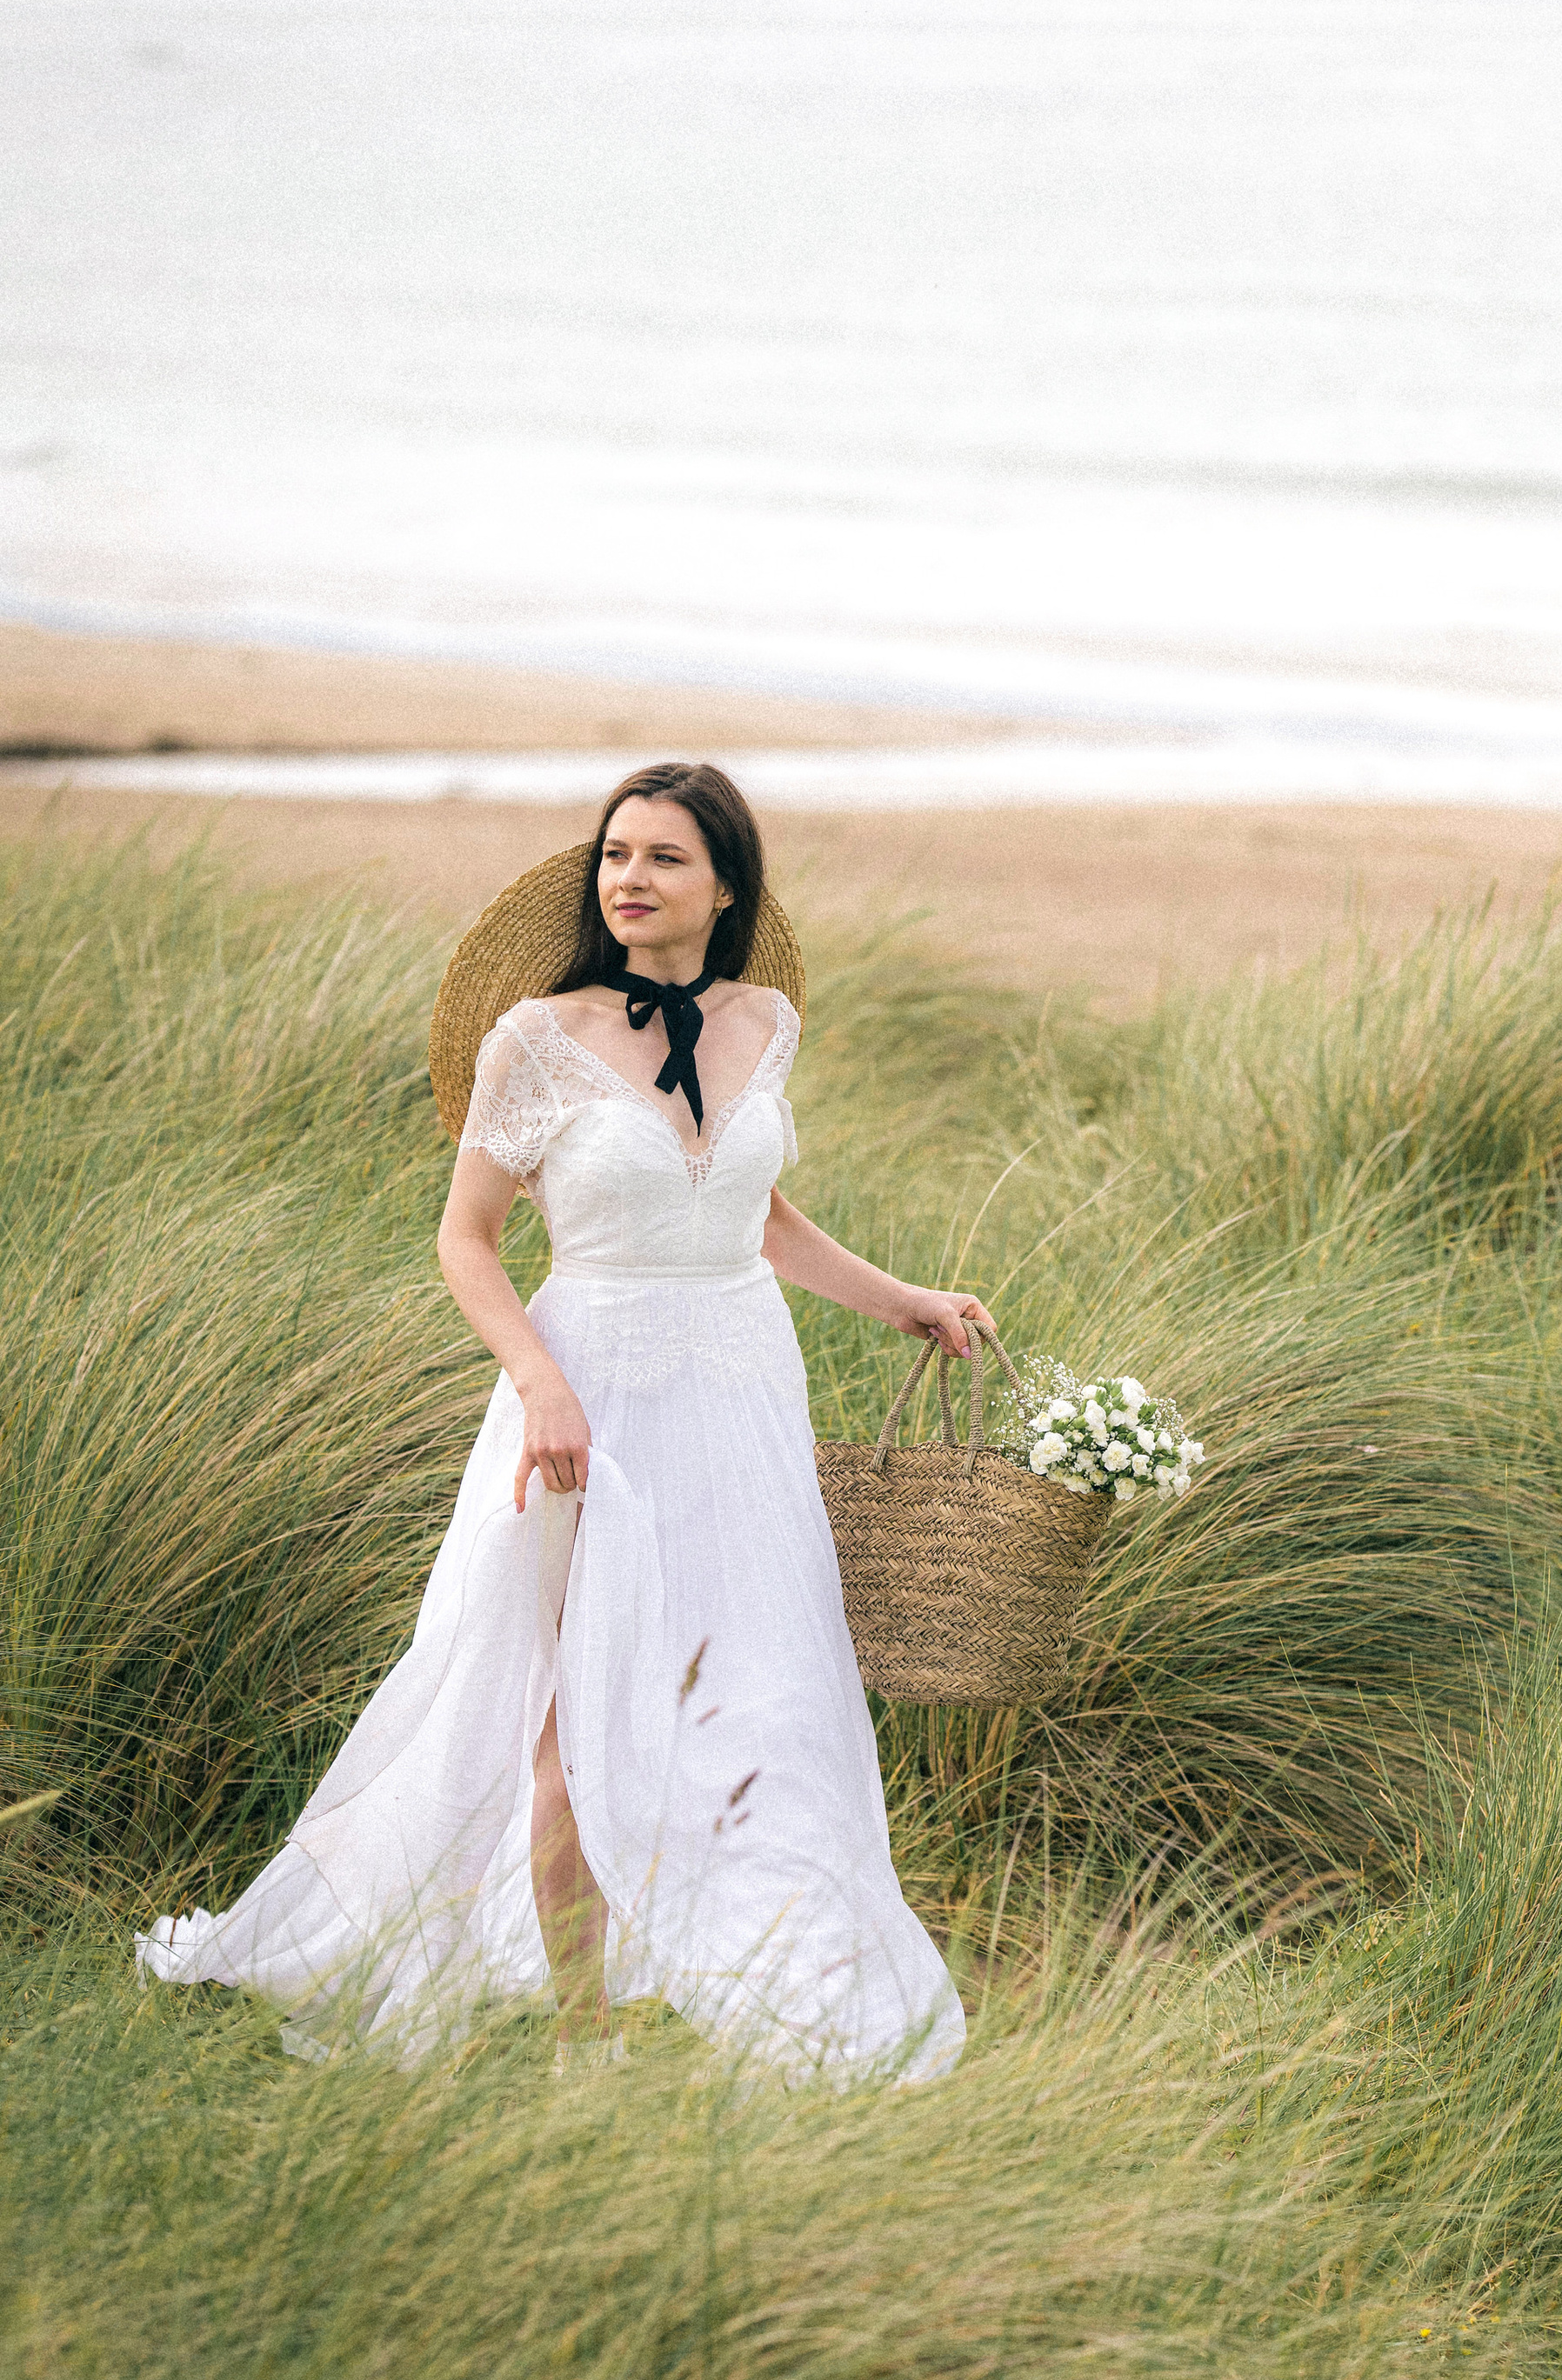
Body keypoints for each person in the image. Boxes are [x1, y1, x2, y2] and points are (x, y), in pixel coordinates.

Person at [138, 761, 983, 2079]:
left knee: (757, 1697)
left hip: (742, 1399)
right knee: (570, 1719)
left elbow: (759, 1218)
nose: (629, 880)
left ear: (727, 887)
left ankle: (746, 1955)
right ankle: (586, 2041)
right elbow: (465, 1239)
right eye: (615, 855)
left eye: (663, 858)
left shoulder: (767, 1024)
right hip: (588, 1399)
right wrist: (541, 1383)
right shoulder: (535, 1038)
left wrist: (905, 1302)